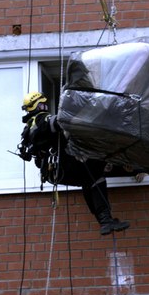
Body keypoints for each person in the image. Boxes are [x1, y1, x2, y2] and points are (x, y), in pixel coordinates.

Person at [17, 91, 130, 236]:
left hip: (53, 172)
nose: (45, 106)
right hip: (61, 165)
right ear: (35, 107)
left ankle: (105, 222)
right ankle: (105, 220)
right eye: (42, 103)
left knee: (89, 181)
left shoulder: (29, 127)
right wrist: (85, 110)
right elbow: (58, 122)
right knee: (96, 173)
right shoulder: (41, 120)